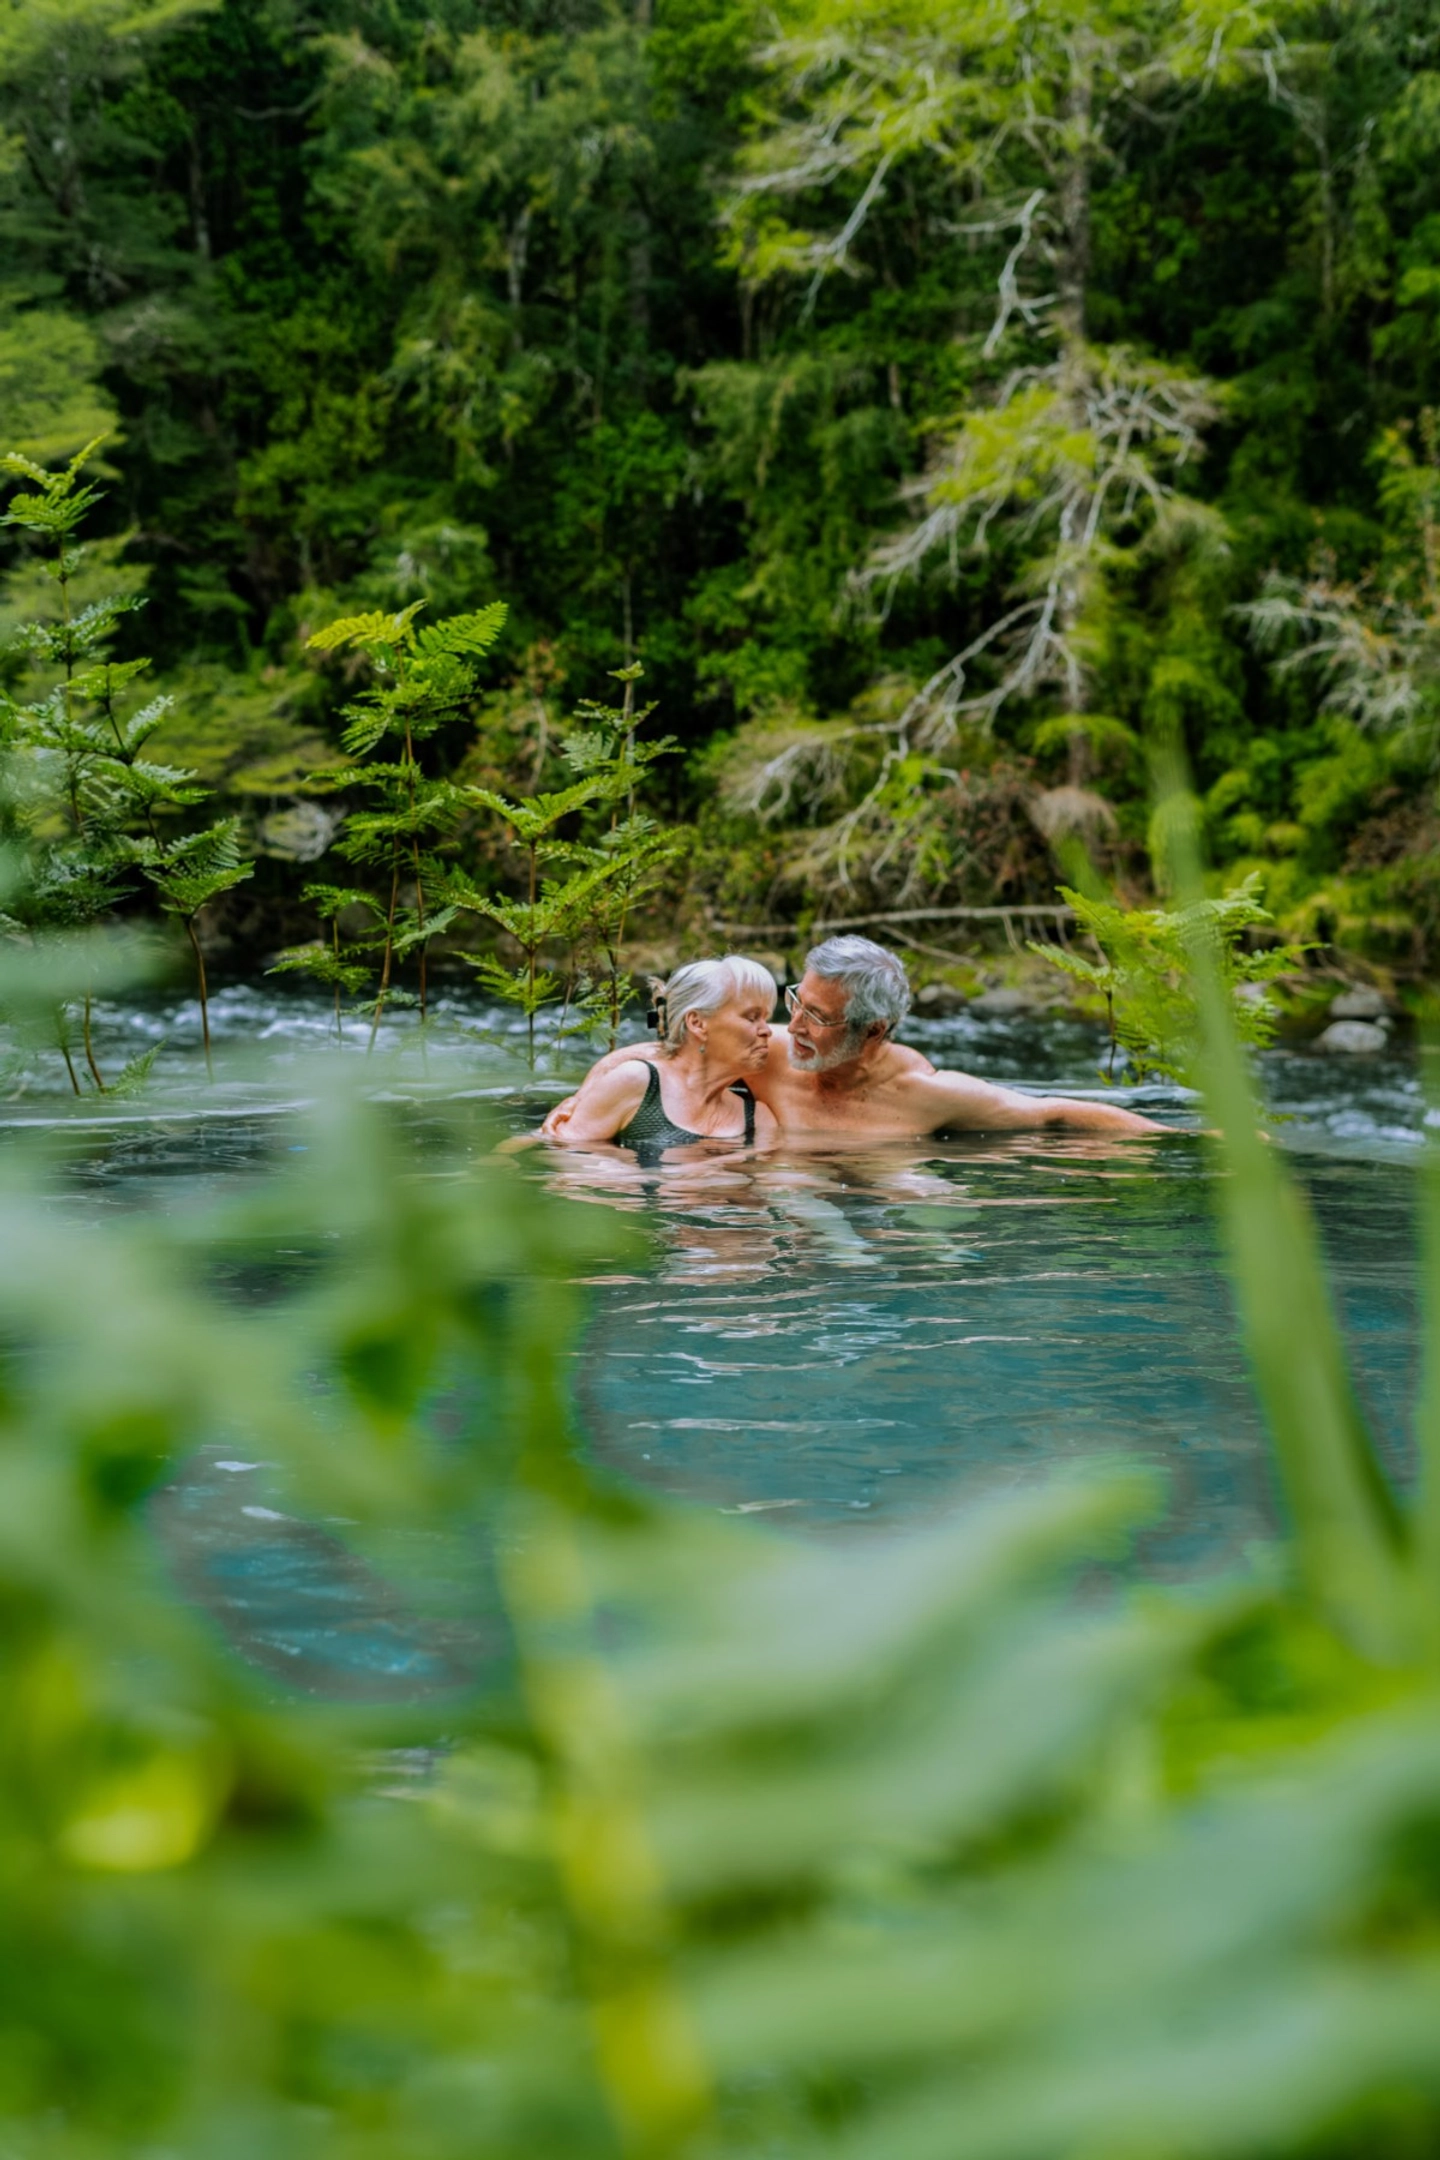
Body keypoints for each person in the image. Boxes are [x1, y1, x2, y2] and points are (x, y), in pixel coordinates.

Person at [545, 934, 1170, 1142]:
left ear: (875, 1032)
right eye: (798, 1002)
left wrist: (1182, 1140)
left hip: (872, 1205)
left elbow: (1051, 1115)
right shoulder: (771, 1057)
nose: (794, 1026)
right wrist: (577, 1104)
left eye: (818, 1017)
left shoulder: (923, 1094)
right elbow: (662, 1057)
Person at [549, 954, 780, 1151]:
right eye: (752, 1018)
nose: (767, 1030)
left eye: (766, 1019)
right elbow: (563, 1158)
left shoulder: (759, 1120)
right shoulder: (636, 1083)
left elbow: (773, 1189)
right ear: (697, 1023)